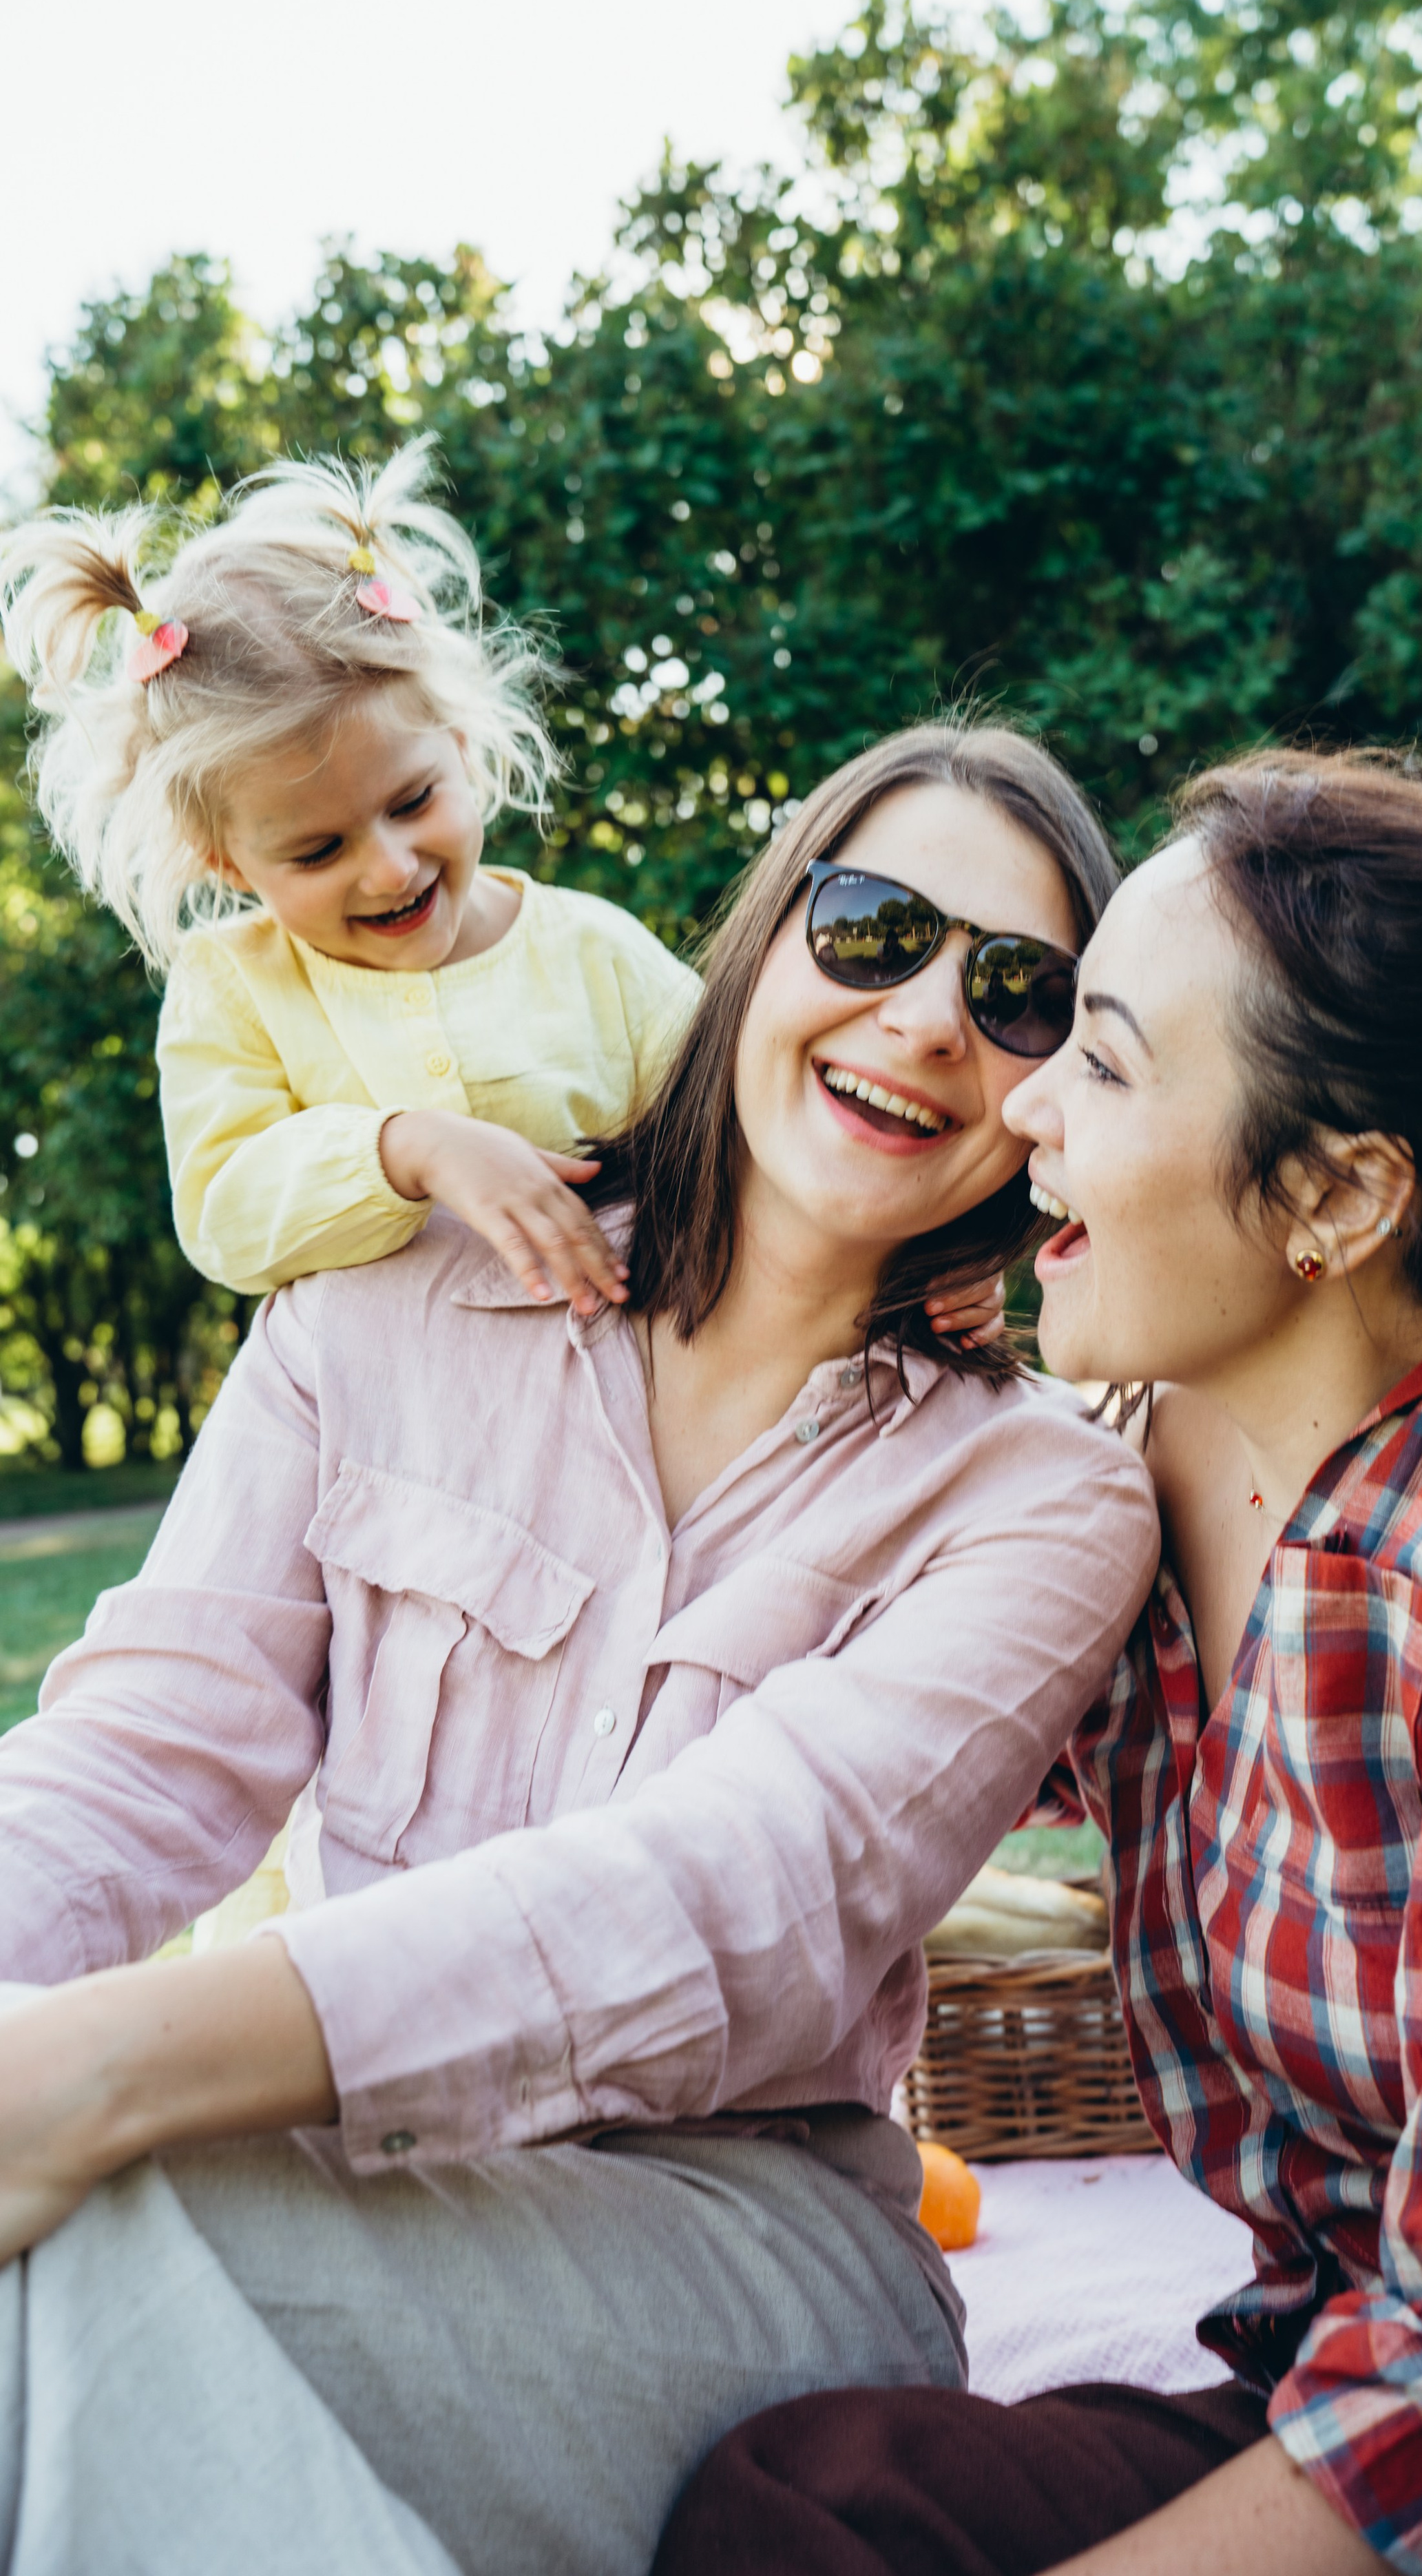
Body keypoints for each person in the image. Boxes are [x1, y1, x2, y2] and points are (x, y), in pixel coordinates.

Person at [0, 723, 1161, 2576]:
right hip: (341, 2163)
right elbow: (142, 1755)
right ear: (763, 940)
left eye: (1019, 994)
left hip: (743, 2234)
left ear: (1053, 1089)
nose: (933, 1018)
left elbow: (729, 1895)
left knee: (102, 2227)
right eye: (876, 931)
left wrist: (99, 2066)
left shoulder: (1041, 1501)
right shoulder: (377, 1308)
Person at [658, 750, 1422, 2576]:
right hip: (1329, 2373)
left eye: (1099, 1055)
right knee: (816, 2511)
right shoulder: (1121, 1479)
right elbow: (801, 1773)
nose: (1025, 1113)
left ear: (1335, 1198)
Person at [0, 441, 986, 1347]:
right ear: (226, 865)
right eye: (316, 851)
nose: (388, 867)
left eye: (413, 800)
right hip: (373, 1440)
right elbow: (224, 1214)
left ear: (463, 751)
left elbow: (755, 1147)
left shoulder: (594, 957)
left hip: (616, 1411)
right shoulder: (236, 986)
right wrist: (409, 1151)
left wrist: (915, 1269)